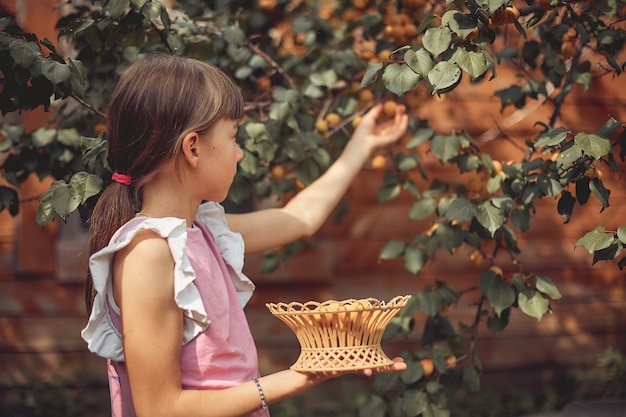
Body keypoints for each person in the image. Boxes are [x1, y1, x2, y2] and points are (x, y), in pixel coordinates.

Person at [81, 53, 409, 417]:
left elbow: (298, 218)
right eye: (234, 136)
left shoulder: (200, 232)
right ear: (193, 148)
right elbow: (161, 409)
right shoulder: (149, 254)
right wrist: (303, 375)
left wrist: (361, 145)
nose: (239, 153)